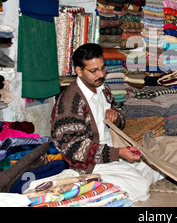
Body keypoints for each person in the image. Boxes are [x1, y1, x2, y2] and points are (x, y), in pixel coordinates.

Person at [51, 43, 163, 202]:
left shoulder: (102, 88)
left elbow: (119, 112)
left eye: (103, 68)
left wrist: (116, 115)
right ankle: (83, 184)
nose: (101, 74)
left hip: (111, 149)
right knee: (141, 187)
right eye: (94, 71)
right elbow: (73, 147)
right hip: (89, 162)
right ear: (79, 71)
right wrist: (118, 153)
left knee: (156, 166)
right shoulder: (70, 103)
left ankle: (115, 179)